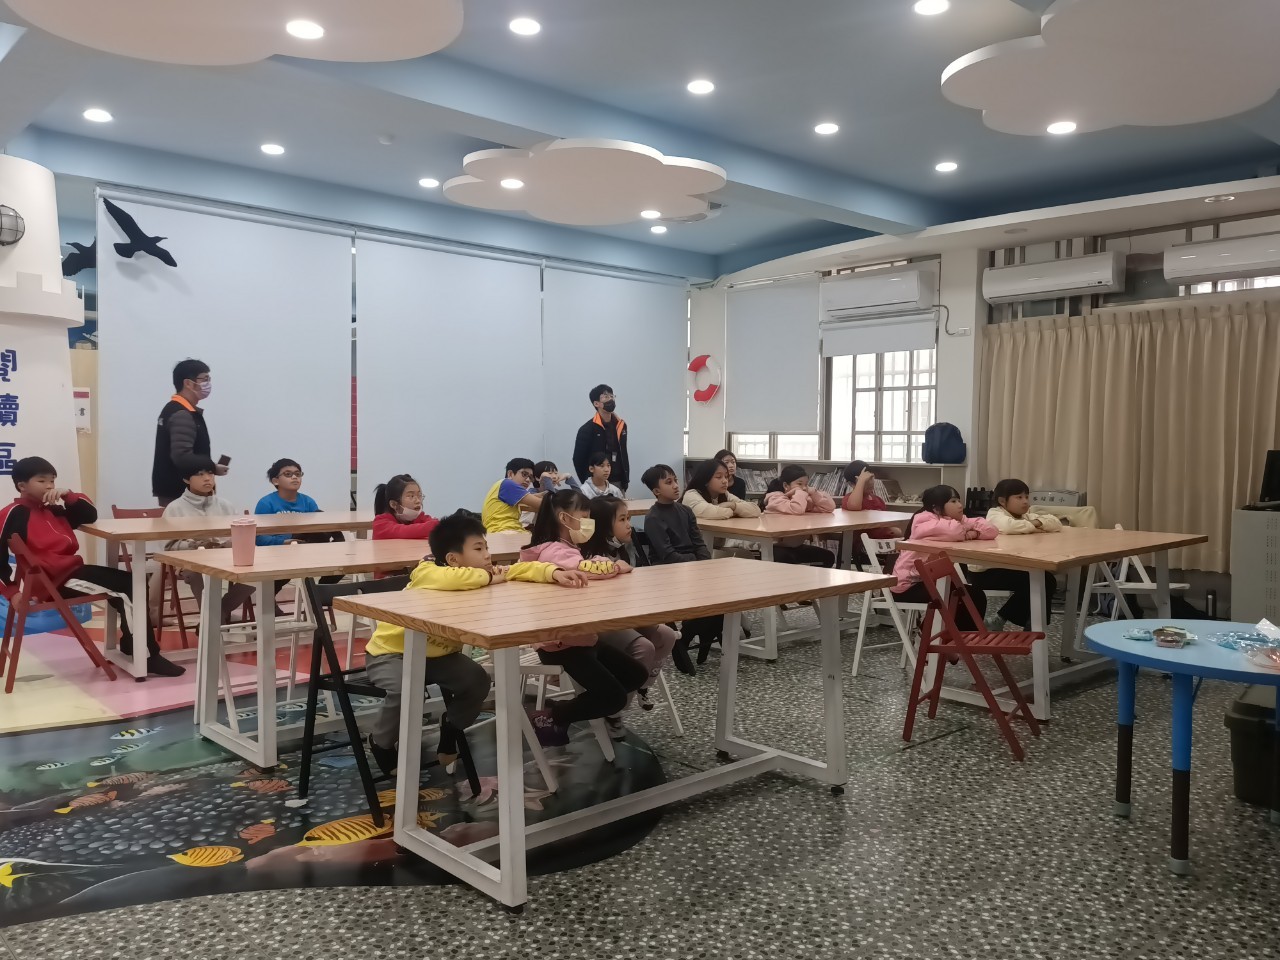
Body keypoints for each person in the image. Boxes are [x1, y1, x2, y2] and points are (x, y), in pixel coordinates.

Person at [362, 511, 585, 775]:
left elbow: (520, 569)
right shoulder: (427, 571)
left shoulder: (481, 573)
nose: (488, 555)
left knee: (477, 681)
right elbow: (454, 578)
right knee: (406, 690)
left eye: (486, 547)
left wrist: (554, 572)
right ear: (453, 559)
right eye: (479, 549)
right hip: (391, 653)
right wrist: (491, 577)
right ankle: (381, 742)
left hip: (439, 656)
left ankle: (451, 728)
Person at [0, 457, 183, 676]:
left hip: (69, 572)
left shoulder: (52, 510)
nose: (49, 486)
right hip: (54, 582)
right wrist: (12, 591)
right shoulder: (13, 513)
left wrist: (68, 495)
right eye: (42, 481)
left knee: (133, 583)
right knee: (130, 587)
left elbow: (89, 515)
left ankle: (132, 644)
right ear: (22, 485)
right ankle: (147, 655)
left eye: (52, 480)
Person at [520, 490, 648, 742]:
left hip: (582, 637)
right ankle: (552, 716)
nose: (589, 522)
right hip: (560, 643)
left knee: (636, 675)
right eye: (585, 516)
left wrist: (607, 564)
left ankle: (573, 709)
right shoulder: (553, 551)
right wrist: (616, 566)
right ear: (564, 518)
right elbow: (584, 568)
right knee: (614, 698)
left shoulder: (567, 547)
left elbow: (587, 561)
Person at [584, 495, 688, 682]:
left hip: (625, 615)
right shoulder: (591, 557)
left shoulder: (624, 548)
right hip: (601, 620)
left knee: (667, 636)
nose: (629, 525)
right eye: (622, 520)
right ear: (603, 526)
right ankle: (622, 697)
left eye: (628, 518)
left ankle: (642, 687)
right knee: (644, 648)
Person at [153, 459, 254, 628]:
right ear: (186, 479)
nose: (207, 478)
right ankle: (215, 621)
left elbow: (237, 537)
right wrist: (194, 545)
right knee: (195, 573)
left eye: (210, 473)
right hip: (191, 562)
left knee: (255, 573)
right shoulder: (175, 508)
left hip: (224, 558)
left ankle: (216, 615)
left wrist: (228, 543)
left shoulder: (225, 505)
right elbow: (168, 547)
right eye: (199, 474)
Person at [642, 463, 722, 666]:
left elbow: (699, 543)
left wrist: (705, 565)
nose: (676, 485)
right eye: (669, 482)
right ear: (656, 491)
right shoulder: (653, 517)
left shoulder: (685, 510)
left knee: (722, 595)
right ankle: (688, 633)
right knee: (707, 594)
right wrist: (695, 565)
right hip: (667, 570)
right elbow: (667, 554)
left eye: (676, 480)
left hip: (692, 565)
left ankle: (694, 630)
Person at [890, 485, 995, 631]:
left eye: (959, 500)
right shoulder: (923, 520)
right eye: (953, 501)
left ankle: (961, 639)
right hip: (909, 586)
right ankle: (930, 635)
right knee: (958, 598)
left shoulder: (954, 519)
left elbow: (991, 530)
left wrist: (973, 533)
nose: (960, 505)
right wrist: (969, 531)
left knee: (975, 595)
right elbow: (954, 532)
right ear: (937, 507)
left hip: (933, 580)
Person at [969, 478, 1062, 630]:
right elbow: (1009, 527)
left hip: (1010, 566)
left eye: (1027, 496)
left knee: (1044, 579)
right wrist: (1036, 525)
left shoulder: (1025, 516)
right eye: (1019, 497)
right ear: (1002, 501)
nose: (1025, 501)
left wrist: (1035, 523)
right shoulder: (995, 514)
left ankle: (1013, 623)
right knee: (1042, 580)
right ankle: (1033, 628)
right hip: (986, 571)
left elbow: (1055, 522)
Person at [255, 458, 342, 596]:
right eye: (288, 474)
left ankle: (321, 592)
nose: (294, 477)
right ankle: (268, 599)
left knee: (341, 560)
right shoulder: (266, 503)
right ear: (275, 481)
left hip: (306, 550)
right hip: (277, 553)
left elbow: (319, 531)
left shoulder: (308, 502)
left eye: (298, 474)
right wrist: (284, 542)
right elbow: (259, 538)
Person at [152, 359, 226, 507]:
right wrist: (212, 467)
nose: (208, 384)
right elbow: (182, 456)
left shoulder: (178, 410)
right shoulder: (181, 414)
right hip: (182, 495)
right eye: (204, 379)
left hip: (183, 492)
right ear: (188, 383)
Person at [763, 465, 837, 568]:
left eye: (806, 484)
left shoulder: (801, 498)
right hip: (774, 547)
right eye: (799, 484)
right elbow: (797, 509)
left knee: (828, 557)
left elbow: (829, 508)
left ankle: (813, 579)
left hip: (795, 546)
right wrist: (799, 493)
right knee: (787, 559)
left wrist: (814, 493)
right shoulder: (775, 499)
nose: (804, 488)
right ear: (786, 486)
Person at [572, 384, 629, 492]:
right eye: (606, 397)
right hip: (596, 484)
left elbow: (623, 453)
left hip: (618, 482)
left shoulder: (621, 425)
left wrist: (625, 479)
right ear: (596, 403)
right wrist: (588, 482)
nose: (611, 399)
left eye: (612, 396)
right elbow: (578, 459)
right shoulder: (587, 429)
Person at [682, 459, 761, 520]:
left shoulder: (725, 494)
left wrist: (732, 505)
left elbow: (756, 510)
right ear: (706, 480)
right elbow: (714, 513)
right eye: (719, 477)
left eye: (726, 476)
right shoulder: (691, 494)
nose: (725, 481)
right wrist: (735, 511)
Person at [482, 458, 545, 534]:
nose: (528, 480)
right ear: (510, 474)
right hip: (504, 532)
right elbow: (544, 505)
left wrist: (546, 494)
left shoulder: (507, 492)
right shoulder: (508, 484)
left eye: (531, 477)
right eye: (524, 474)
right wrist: (548, 482)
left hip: (504, 532)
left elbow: (536, 504)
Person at [841, 460, 901, 540]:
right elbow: (854, 506)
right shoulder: (849, 499)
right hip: (860, 542)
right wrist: (861, 481)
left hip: (879, 542)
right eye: (866, 480)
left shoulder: (878, 500)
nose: (871, 482)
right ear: (851, 484)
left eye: (872, 478)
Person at [372, 474, 439, 541]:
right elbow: (404, 531)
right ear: (394, 504)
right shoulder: (380, 524)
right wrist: (438, 526)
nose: (418, 501)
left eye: (419, 495)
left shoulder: (418, 517)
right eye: (411, 496)